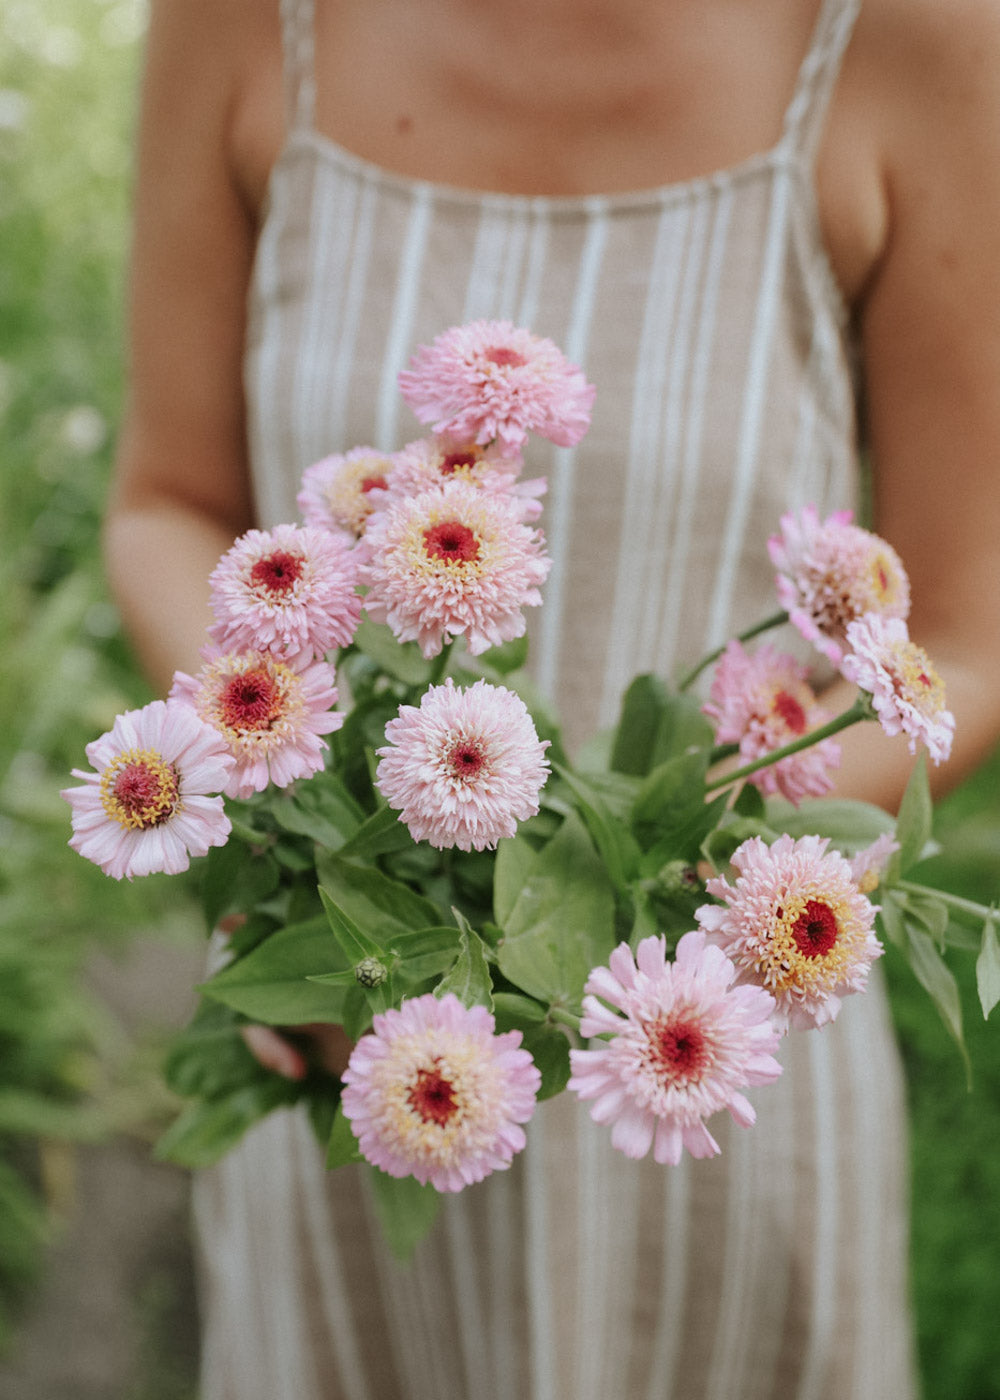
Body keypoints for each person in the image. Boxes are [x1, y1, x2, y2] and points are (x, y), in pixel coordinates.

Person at [104, 0, 1000, 1395]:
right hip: (356, 1026)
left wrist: (690, 879)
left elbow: (963, 627)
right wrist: (282, 808)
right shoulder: (236, 24)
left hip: (718, 1059)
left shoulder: (916, 36)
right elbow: (168, 500)